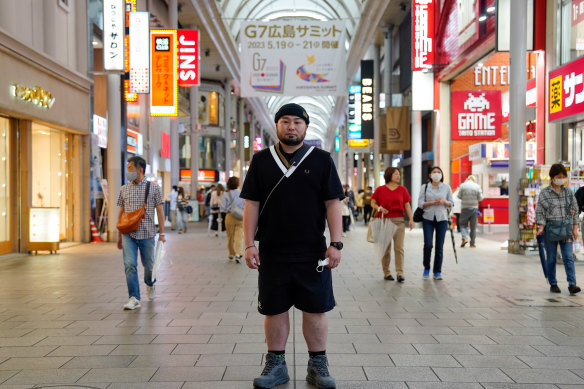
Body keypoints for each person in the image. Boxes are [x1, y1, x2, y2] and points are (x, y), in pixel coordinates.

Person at [241, 103, 344, 389]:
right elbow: (251, 204)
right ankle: (276, 364)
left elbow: (333, 203)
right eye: (285, 121)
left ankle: (318, 365)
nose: (291, 126)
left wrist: (336, 243)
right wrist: (249, 244)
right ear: (276, 126)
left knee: (315, 309)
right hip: (272, 252)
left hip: (313, 252)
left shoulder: (322, 160)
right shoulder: (261, 160)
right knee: (274, 309)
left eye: (297, 122)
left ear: (306, 127)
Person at [116, 156, 165, 310]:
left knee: (149, 265)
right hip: (128, 234)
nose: (128, 171)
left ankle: (150, 284)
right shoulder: (124, 189)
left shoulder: (154, 188)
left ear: (140, 169)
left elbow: (160, 211)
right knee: (130, 265)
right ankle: (134, 297)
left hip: (147, 233)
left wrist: (162, 234)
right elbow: (121, 213)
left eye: (130, 168)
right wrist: (118, 234)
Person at [536, 164, 581, 295]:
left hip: (566, 229)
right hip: (550, 230)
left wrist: (575, 227)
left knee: (568, 257)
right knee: (551, 258)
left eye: (563, 177)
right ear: (552, 177)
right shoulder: (545, 193)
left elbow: (575, 210)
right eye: (558, 177)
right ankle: (553, 283)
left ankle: (572, 284)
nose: (561, 179)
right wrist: (541, 226)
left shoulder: (568, 192)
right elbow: (540, 212)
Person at [371, 167, 414, 283]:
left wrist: (411, 219)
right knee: (386, 249)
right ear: (389, 175)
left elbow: (407, 205)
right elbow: (373, 202)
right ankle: (387, 272)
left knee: (399, 248)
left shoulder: (402, 189)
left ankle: (400, 273)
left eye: (399, 174)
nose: (398, 176)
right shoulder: (380, 190)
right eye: (396, 174)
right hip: (384, 220)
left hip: (399, 221)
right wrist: (379, 208)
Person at [418, 166, 454, 280]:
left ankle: (437, 271)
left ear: (442, 175)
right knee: (428, 244)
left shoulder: (447, 187)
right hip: (427, 218)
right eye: (434, 172)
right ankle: (426, 268)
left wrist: (444, 201)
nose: (437, 174)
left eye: (439, 172)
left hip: (442, 218)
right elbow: (420, 203)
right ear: (430, 175)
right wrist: (432, 202)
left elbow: (452, 203)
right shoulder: (424, 187)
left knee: (439, 246)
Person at [221, 176, 245, 263]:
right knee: (240, 235)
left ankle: (231, 253)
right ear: (238, 184)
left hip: (229, 216)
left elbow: (223, 207)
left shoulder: (226, 194)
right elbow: (245, 204)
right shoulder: (242, 192)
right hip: (241, 216)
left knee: (230, 236)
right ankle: (238, 254)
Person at [457, 175, 484, 248]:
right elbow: (481, 198)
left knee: (462, 224)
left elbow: (458, 196)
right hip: (474, 208)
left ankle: (464, 237)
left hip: (464, 207)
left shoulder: (462, 186)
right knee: (473, 226)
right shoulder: (477, 186)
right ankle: (472, 243)